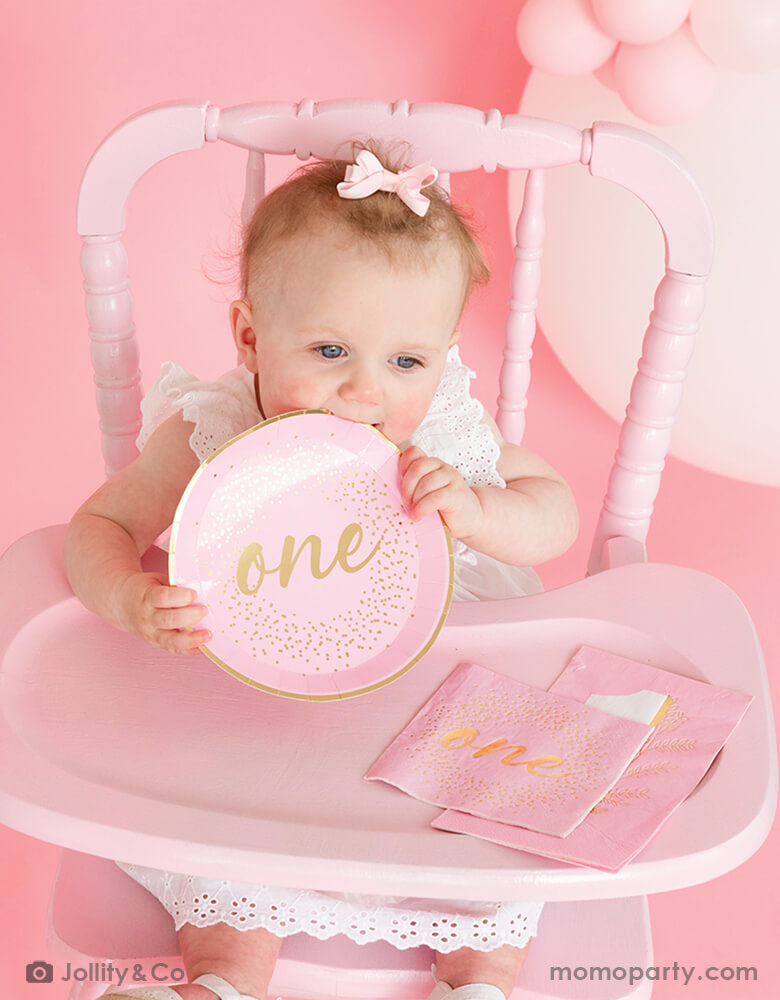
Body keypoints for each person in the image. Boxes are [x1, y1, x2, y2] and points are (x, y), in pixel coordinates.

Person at [63, 144, 578, 1000]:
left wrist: (480, 510)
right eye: (331, 350)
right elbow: (101, 525)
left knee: (498, 848)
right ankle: (221, 982)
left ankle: (477, 983)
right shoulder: (213, 433)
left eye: (405, 362)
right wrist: (131, 597)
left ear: (443, 358)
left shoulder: (443, 436)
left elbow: (554, 511)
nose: (366, 393)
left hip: (436, 699)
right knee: (230, 851)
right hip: (266, 709)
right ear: (251, 335)